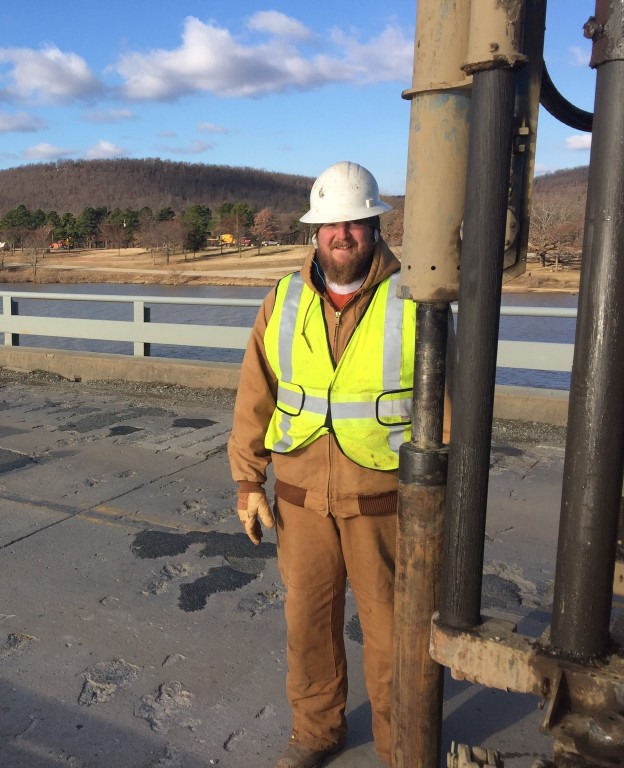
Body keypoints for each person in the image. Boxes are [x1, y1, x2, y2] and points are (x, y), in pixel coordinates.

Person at [227, 161, 413, 768]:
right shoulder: (283, 299)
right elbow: (255, 394)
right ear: (315, 231)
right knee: (307, 629)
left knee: (392, 639)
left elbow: (447, 409)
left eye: (355, 222)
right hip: (302, 502)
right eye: (331, 223)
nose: (342, 235)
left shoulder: (412, 299)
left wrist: (451, 502)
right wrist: (248, 481)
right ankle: (315, 735)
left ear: (375, 225)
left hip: (383, 501)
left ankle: (399, 749)